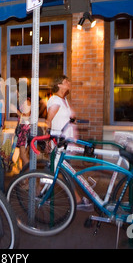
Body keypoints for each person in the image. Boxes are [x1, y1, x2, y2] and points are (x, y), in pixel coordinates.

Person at [46, 75, 92, 212]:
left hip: (68, 142)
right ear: (59, 85)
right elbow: (48, 121)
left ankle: (40, 194)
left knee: (58, 171)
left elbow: (66, 119)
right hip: (60, 143)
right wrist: (49, 140)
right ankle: (77, 200)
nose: (69, 83)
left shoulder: (64, 100)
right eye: (66, 82)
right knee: (64, 171)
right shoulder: (55, 100)